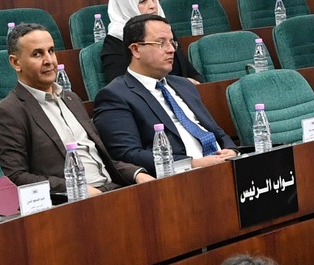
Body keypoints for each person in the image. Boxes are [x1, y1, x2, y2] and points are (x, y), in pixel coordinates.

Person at [0, 23, 148, 200]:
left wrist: (136, 173)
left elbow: (102, 157)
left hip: (112, 189)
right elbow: (16, 177)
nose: (49, 60)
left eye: (51, 51)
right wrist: (76, 188)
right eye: (37, 54)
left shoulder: (71, 99)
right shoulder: (7, 113)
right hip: (72, 202)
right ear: (16, 62)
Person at [92, 15, 237, 176]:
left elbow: (216, 131)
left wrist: (231, 150)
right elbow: (128, 154)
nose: (171, 49)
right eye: (161, 43)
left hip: (223, 166)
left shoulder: (185, 85)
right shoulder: (115, 95)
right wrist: (191, 164)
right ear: (135, 49)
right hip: (180, 178)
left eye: (172, 42)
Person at [97, 0, 200, 87]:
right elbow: (123, 88)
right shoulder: (115, 42)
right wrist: (179, 85)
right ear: (126, 6)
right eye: (143, 1)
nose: (152, 6)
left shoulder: (165, 32)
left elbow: (191, 73)